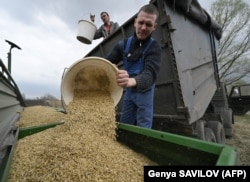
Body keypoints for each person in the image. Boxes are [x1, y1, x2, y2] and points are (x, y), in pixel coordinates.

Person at [105, 4, 162, 129]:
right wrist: (109, 67)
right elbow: (105, 62)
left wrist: (130, 80)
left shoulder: (155, 48)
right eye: (141, 22)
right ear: (135, 22)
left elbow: (149, 76)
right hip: (129, 94)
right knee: (125, 126)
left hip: (145, 94)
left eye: (148, 24)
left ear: (155, 27)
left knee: (144, 130)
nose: (143, 28)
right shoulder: (123, 45)